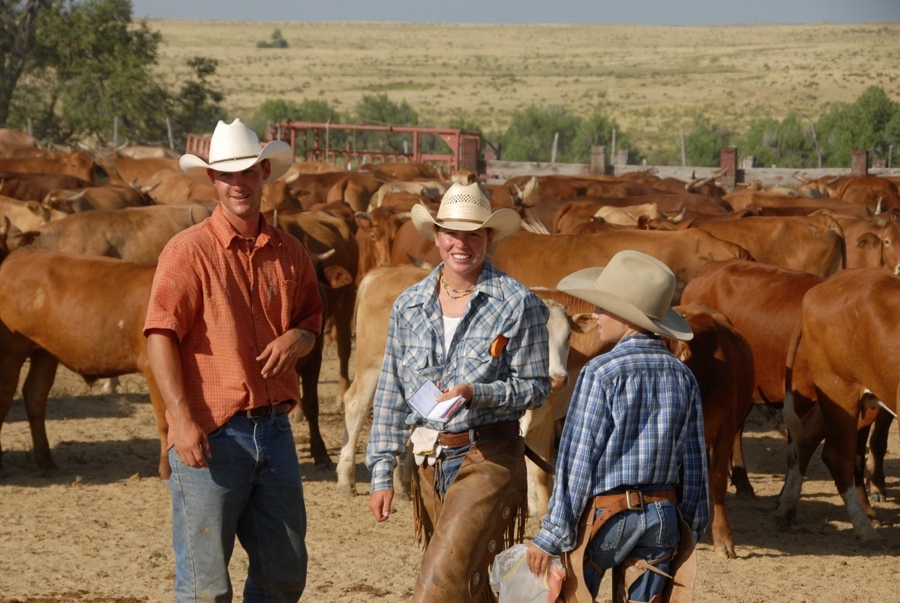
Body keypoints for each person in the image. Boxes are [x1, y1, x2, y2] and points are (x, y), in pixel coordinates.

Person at [144, 118, 324, 602]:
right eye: (227, 174)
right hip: (211, 431)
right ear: (212, 180)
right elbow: (160, 334)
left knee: (283, 574)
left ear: (265, 171)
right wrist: (179, 419)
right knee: (206, 586)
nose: (238, 183)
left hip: (275, 431)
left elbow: (311, 320)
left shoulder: (291, 254)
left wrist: (297, 340)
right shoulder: (188, 251)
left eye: (247, 171)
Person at [366, 181, 552, 602]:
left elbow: (537, 389)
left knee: (438, 583)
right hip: (429, 461)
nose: (461, 244)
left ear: (489, 237)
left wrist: (477, 393)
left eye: (473, 234)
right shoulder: (408, 305)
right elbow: (391, 394)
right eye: (452, 233)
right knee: (469, 583)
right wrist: (382, 473)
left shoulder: (518, 302)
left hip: (489, 457)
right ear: (436, 237)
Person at [526, 250, 709, 603]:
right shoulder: (682, 375)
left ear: (627, 317)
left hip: (607, 518)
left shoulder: (601, 372)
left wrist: (551, 535)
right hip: (663, 516)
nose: (594, 315)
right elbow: (695, 463)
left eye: (603, 307)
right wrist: (689, 525)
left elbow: (577, 462)